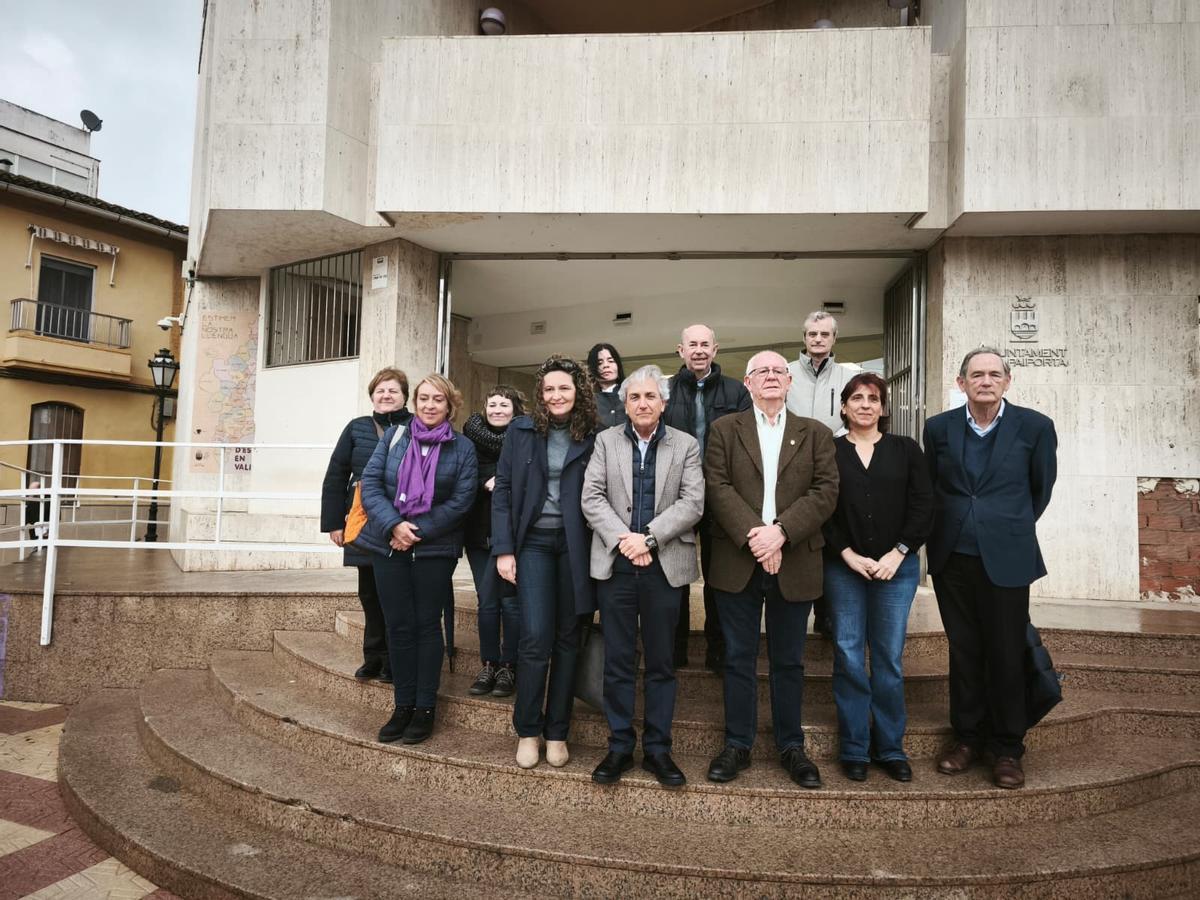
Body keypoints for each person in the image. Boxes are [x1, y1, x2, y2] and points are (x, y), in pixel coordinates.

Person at [923, 347, 1057, 789]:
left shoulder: (1035, 427)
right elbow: (934, 486)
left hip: (1007, 557)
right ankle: (966, 738)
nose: (985, 380)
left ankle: (1006, 747)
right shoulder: (938, 429)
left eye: (994, 374)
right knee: (964, 651)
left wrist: (1001, 526)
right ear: (961, 383)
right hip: (952, 558)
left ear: (1007, 381)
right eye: (976, 374)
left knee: (1004, 651)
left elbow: (1040, 491)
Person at [704, 350, 838, 787]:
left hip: (794, 557)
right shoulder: (724, 429)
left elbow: (825, 491)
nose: (771, 377)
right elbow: (717, 486)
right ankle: (737, 744)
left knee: (789, 661)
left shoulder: (815, 433)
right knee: (739, 658)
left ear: (790, 381)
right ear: (746, 382)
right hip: (737, 560)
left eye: (779, 371)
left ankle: (791, 746)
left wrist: (780, 532)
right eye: (762, 371)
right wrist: (756, 536)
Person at [581, 365, 704, 787]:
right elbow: (591, 497)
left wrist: (648, 539)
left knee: (661, 663)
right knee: (617, 661)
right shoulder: (605, 441)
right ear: (625, 403)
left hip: (664, 566)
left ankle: (657, 749)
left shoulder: (686, 445)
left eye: (650, 396)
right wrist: (624, 540)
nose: (643, 403)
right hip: (616, 565)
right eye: (635, 397)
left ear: (663, 403)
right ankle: (618, 746)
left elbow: (693, 503)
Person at [822, 372, 933, 783]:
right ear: (845, 407)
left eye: (873, 398)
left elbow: (924, 507)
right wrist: (847, 554)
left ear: (883, 408)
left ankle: (889, 747)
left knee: (887, 657)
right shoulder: (829, 452)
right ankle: (854, 748)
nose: (865, 404)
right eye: (857, 398)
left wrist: (898, 552)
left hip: (896, 569)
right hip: (843, 569)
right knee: (849, 655)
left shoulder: (906, 450)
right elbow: (822, 510)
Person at [359, 373, 477, 745]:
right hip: (389, 546)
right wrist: (394, 525)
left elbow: (462, 500)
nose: (429, 405)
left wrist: (418, 530)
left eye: (437, 400)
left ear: (450, 406)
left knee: (427, 628)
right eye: (423, 398)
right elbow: (371, 483)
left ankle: (424, 708)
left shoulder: (463, 448)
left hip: (434, 550)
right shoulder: (395, 438)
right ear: (414, 403)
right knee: (398, 627)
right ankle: (402, 705)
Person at [492, 355, 597, 769]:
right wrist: (503, 548)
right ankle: (528, 730)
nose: (556, 395)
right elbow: (502, 489)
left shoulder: (595, 434)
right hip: (532, 543)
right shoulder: (520, 431)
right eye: (549, 389)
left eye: (564, 388)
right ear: (541, 393)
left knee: (569, 638)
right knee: (535, 636)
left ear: (578, 393)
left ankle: (557, 732)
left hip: (576, 546)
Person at [663, 323, 751, 672]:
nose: (698, 350)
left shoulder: (737, 392)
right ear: (680, 351)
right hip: (675, 496)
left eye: (705, 345)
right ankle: (674, 649)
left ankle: (718, 650)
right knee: (676, 573)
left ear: (715, 350)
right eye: (691, 345)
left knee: (721, 576)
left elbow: (745, 446)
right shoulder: (665, 391)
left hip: (720, 494)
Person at [320, 367, 412, 683]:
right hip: (361, 518)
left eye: (393, 391)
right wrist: (334, 523)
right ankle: (373, 657)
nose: (386, 396)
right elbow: (335, 475)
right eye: (381, 390)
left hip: (401, 518)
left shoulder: (415, 426)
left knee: (395, 594)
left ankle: (394, 659)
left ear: (404, 397)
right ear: (372, 395)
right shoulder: (356, 428)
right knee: (369, 594)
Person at [786, 310, 858, 637]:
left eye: (824, 334)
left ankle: (827, 614)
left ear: (833, 339)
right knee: (800, 537)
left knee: (832, 539)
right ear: (804, 338)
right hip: (793, 468)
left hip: (836, 465)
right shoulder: (785, 374)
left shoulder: (847, 376)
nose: (818, 340)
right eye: (812, 334)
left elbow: (853, 418)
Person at [462, 385, 525, 697]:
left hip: (515, 537)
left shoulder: (526, 439)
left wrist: (508, 485)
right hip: (478, 534)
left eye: (505, 404)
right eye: (493, 405)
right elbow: (457, 478)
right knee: (487, 602)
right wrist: (482, 483)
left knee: (511, 604)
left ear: (515, 409)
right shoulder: (468, 441)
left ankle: (509, 666)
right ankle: (489, 664)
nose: (498, 410)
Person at [587, 343, 628, 429]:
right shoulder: (587, 399)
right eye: (599, 363)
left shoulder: (630, 393)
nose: (606, 365)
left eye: (611, 361)